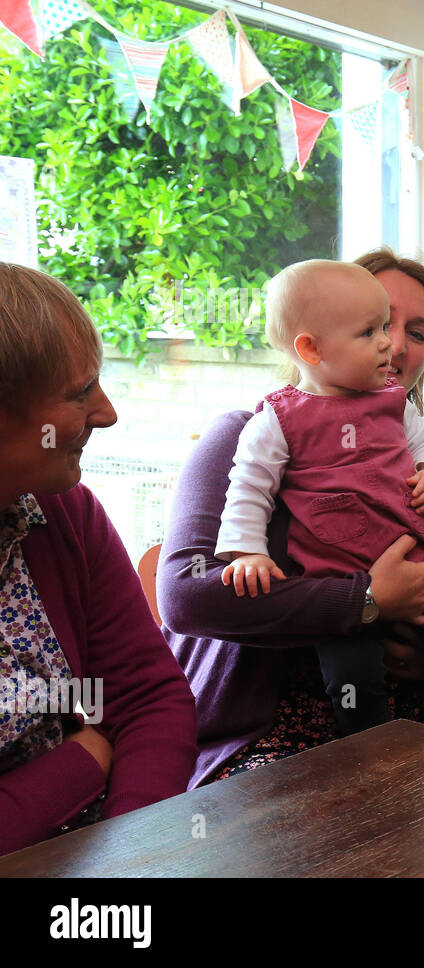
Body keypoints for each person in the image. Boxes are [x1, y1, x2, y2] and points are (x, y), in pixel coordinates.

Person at [161, 249, 424, 786]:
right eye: (378, 323)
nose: (394, 343)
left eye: (418, 332)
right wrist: (365, 601)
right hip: (276, 738)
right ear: (313, 340)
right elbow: (186, 596)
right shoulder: (243, 437)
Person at [0, 263, 196, 855]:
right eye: (79, 392)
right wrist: (86, 759)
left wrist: (127, 852)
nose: (107, 412)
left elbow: (146, 701)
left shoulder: (64, 516)